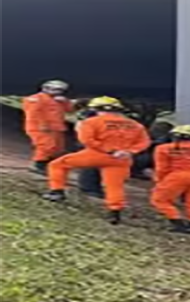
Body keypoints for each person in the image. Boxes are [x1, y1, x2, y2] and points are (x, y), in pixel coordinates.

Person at [42, 96, 151, 225]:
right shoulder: (135, 125)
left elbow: (86, 140)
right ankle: (115, 213)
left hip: (95, 154)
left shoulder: (92, 122)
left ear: (96, 109)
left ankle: (56, 192)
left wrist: (109, 150)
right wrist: (129, 151)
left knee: (57, 165)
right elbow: (144, 142)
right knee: (115, 186)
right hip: (121, 159)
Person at [150, 125, 190, 234]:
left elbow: (162, 167)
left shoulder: (163, 148)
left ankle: (177, 223)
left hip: (178, 175)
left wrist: (160, 181)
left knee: (159, 200)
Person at [22, 80, 74, 174]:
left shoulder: (58, 100)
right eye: (55, 89)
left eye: (60, 90)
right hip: (38, 127)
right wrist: (43, 125)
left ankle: (50, 166)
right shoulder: (35, 99)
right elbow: (34, 114)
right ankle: (39, 166)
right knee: (46, 146)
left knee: (57, 148)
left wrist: (65, 102)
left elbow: (69, 110)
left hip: (56, 127)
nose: (57, 92)